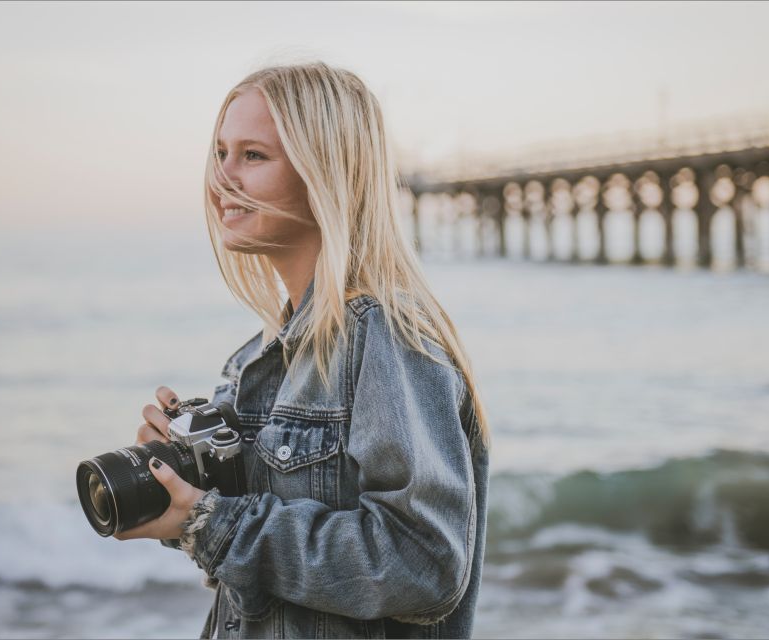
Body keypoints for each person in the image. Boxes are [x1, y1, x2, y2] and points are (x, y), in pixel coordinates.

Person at [114, 61, 491, 639]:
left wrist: (214, 525)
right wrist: (183, 499)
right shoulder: (254, 361)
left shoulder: (384, 337)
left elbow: (423, 563)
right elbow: (261, 573)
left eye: (253, 155)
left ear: (325, 171)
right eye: (220, 154)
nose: (222, 178)